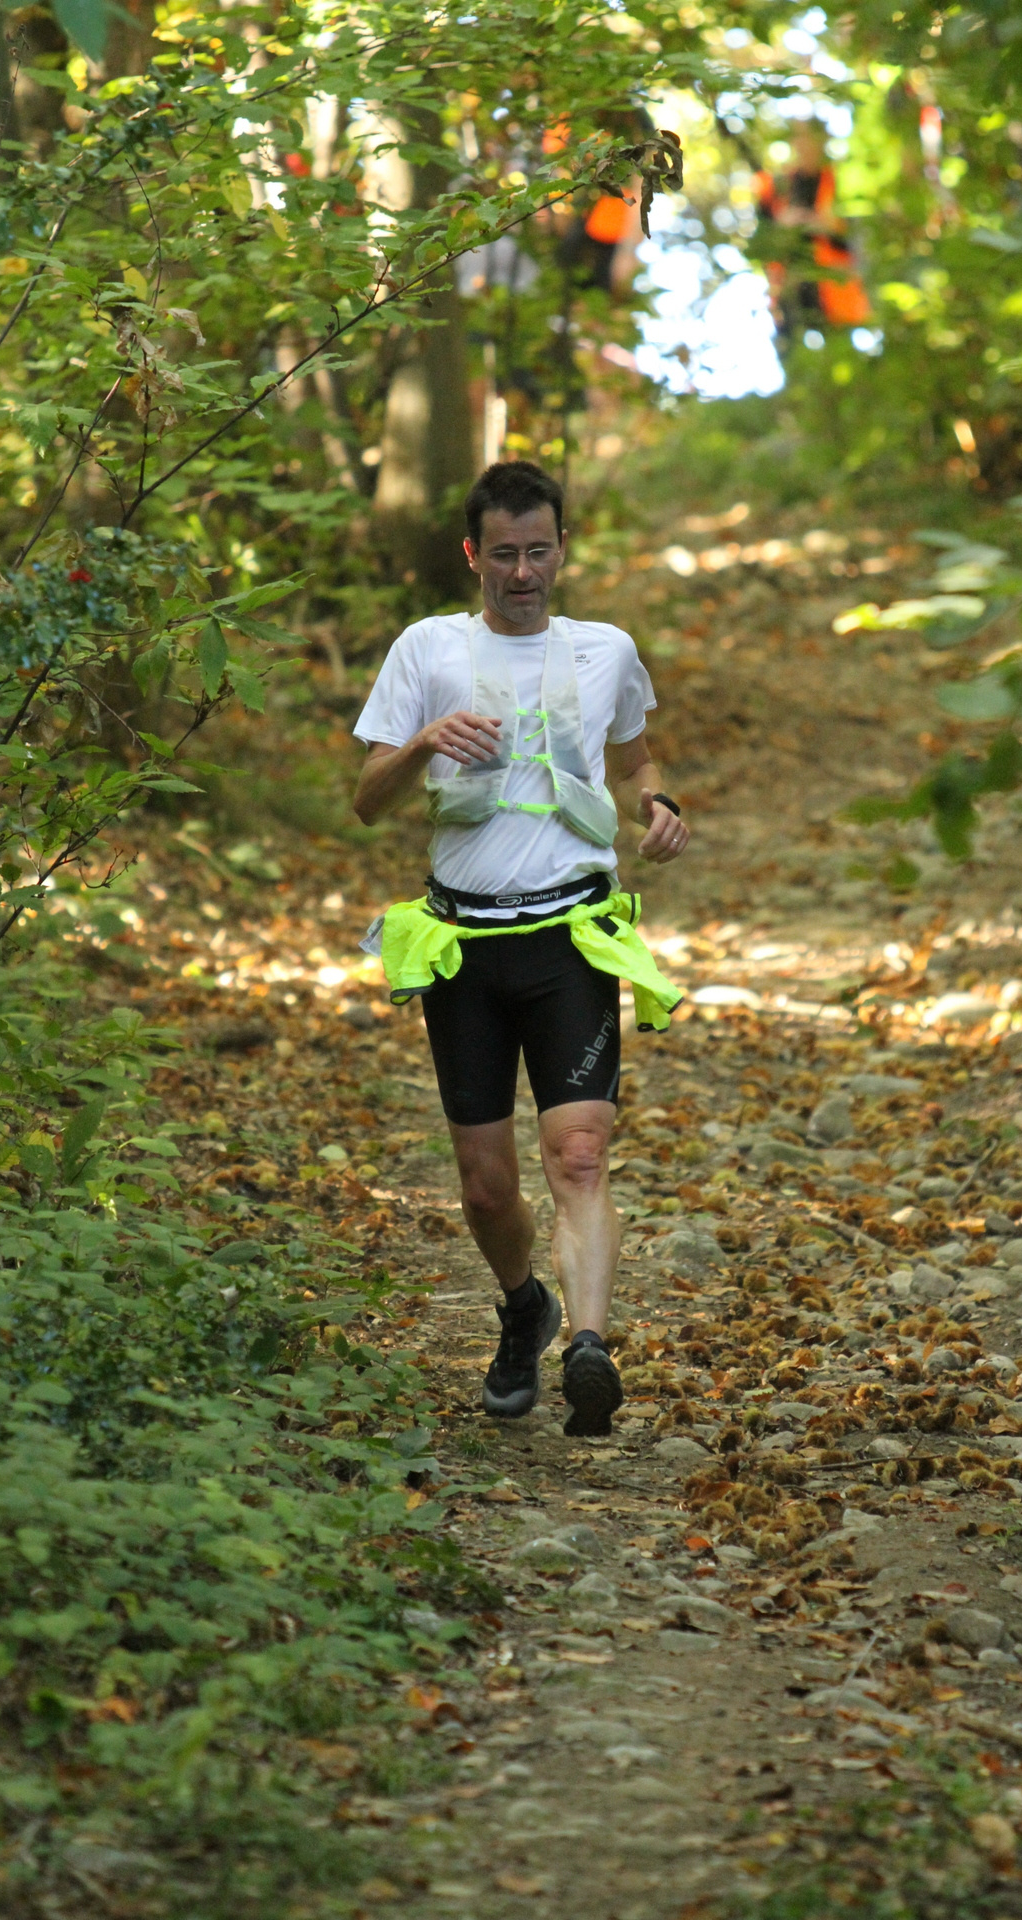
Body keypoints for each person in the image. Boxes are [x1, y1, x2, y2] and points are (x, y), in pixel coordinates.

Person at [351, 461, 689, 1437]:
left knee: (578, 1155)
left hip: (570, 937)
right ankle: (522, 1308)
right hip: (463, 948)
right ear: (472, 555)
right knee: (486, 1185)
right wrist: (423, 743)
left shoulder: (605, 651)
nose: (523, 572)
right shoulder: (427, 649)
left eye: (539, 551)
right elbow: (367, 801)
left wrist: (658, 805)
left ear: (562, 549)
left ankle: (589, 1347)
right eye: (503, 554)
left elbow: (635, 760)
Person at [752, 122, 870, 340]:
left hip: (837, 301)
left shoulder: (841, 182)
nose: (805, 145)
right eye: (800, 138)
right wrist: (782, 226)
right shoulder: (775, 187)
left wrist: (822, 225)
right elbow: (760, 244)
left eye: (811, 138)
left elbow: (861, 239)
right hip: (789, 298)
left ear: (823, 141)